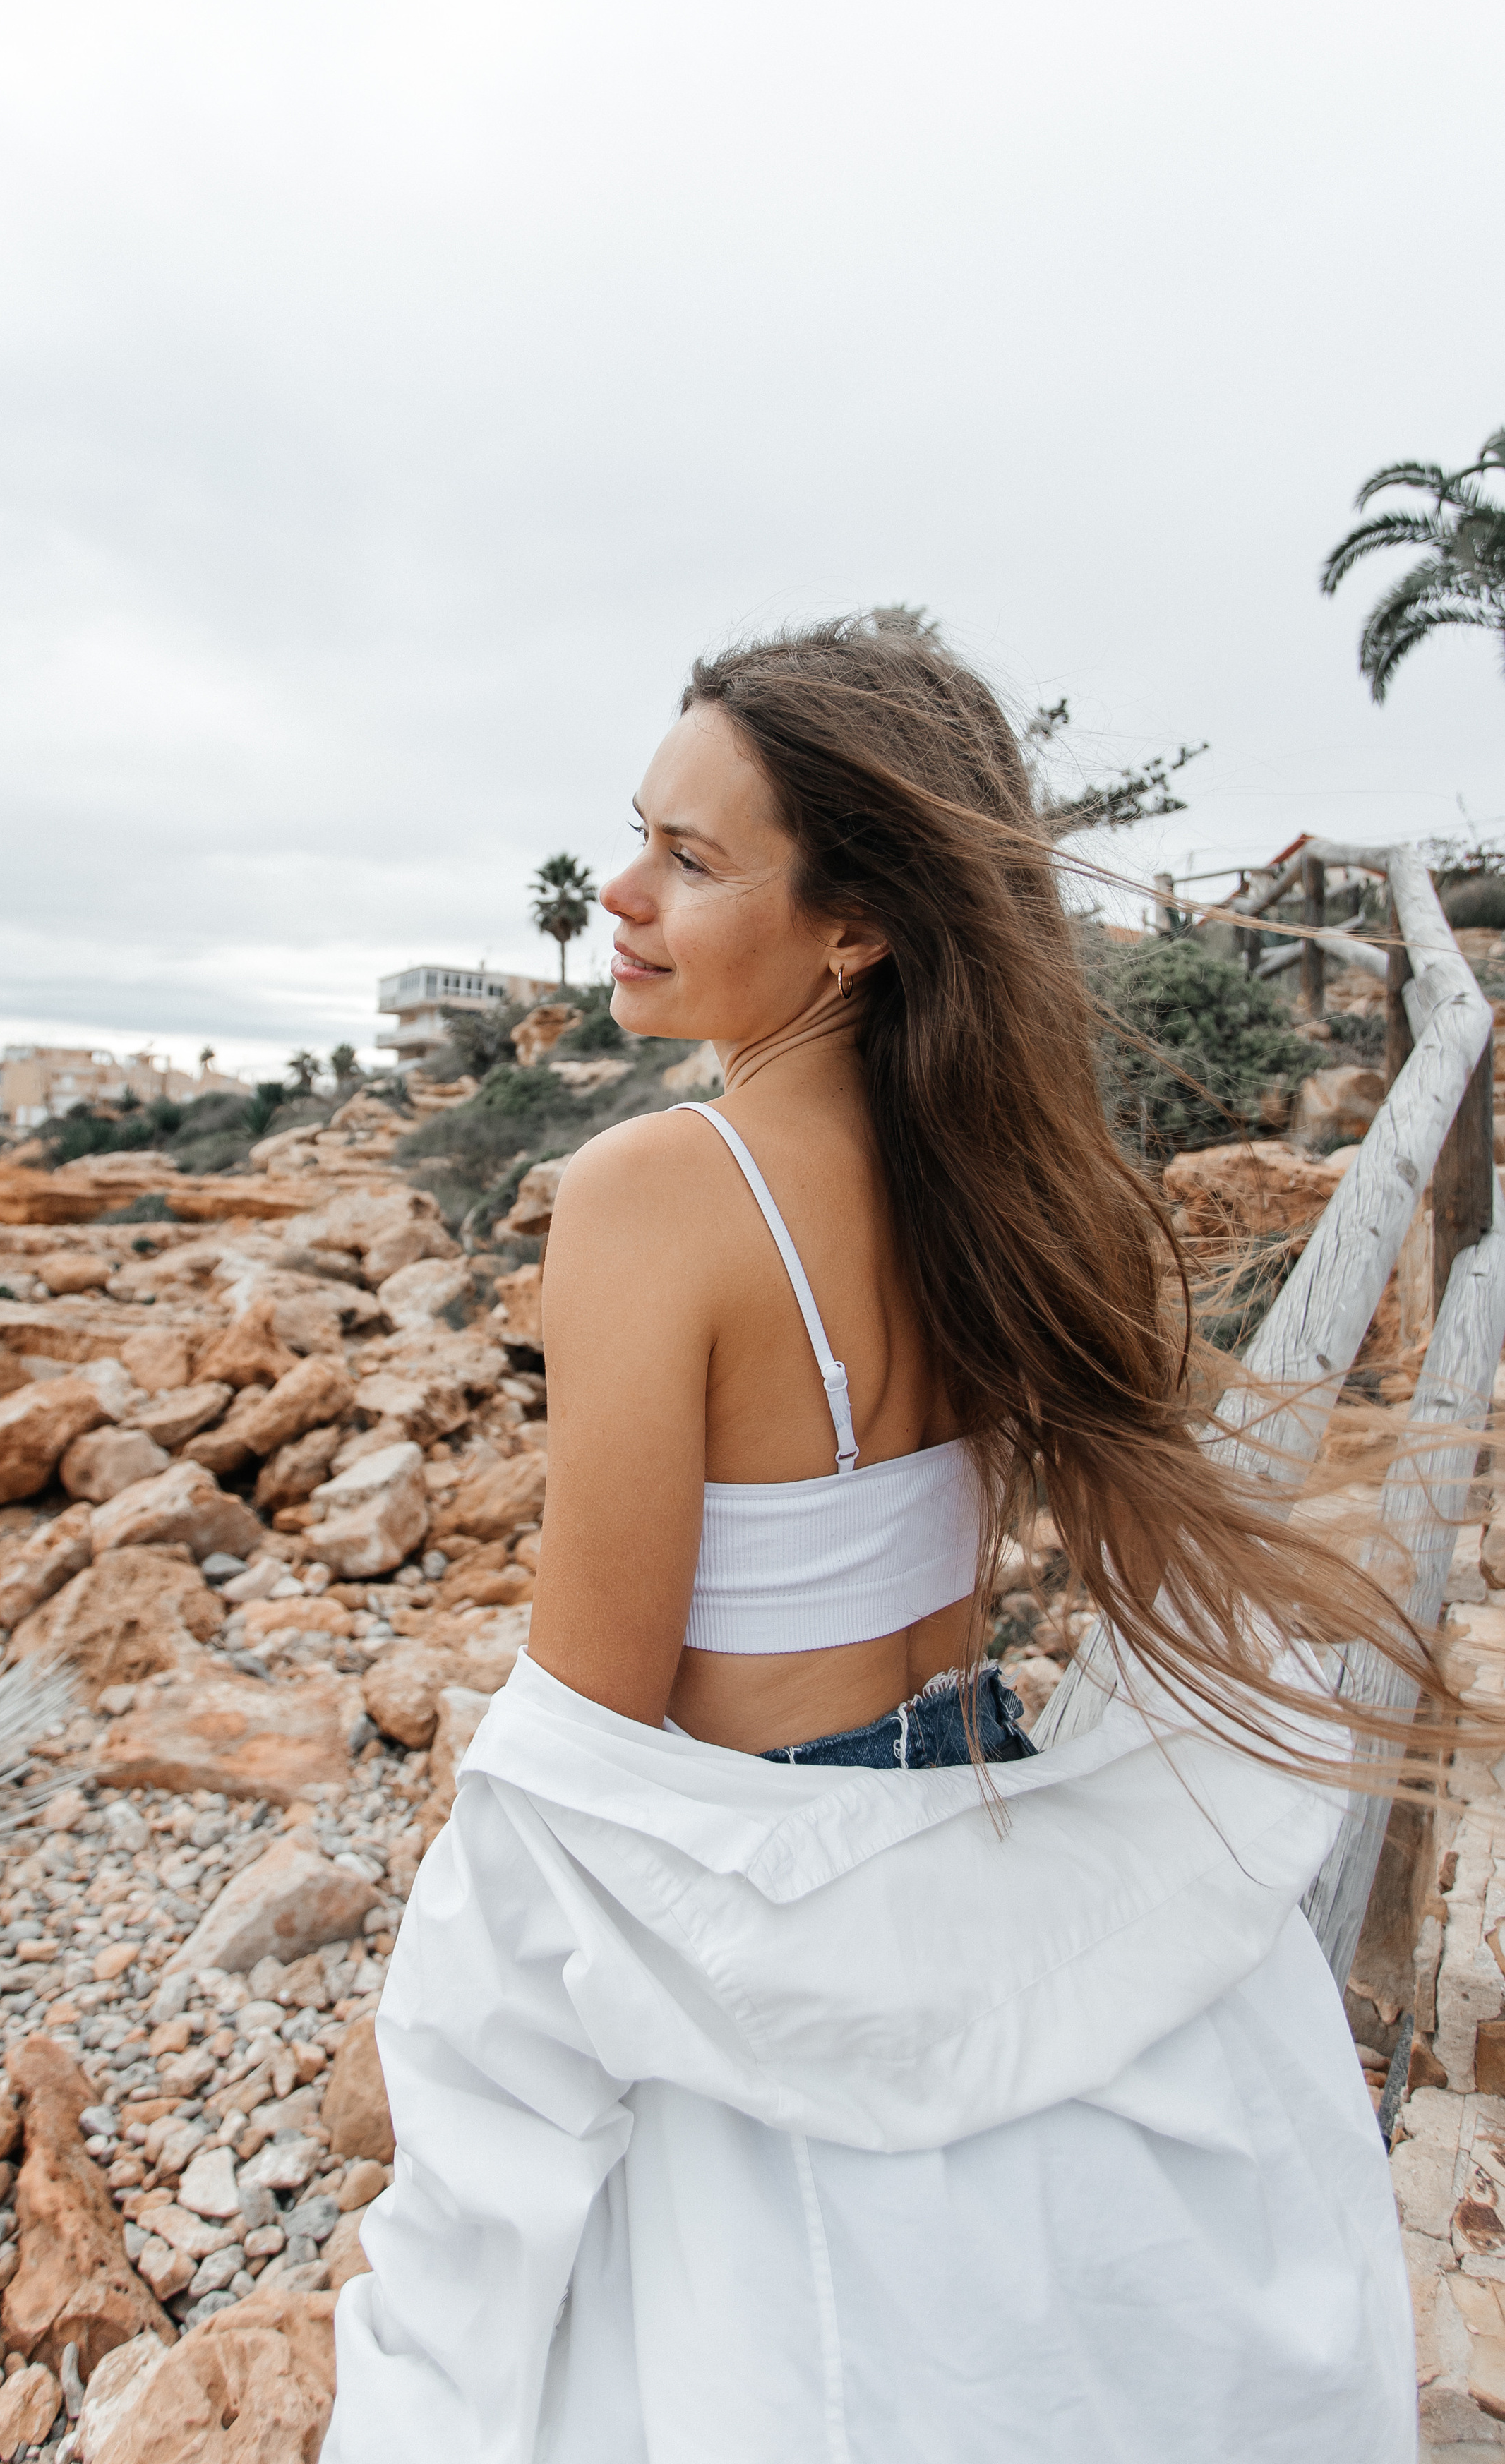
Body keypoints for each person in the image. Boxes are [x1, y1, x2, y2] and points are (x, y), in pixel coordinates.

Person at [323, 617, 1432, 2463]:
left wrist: (466, 2117)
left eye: (692, 858)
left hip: (768, 1927)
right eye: (636, 836)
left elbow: (579, 1756)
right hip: (967, 1823)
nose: (622, 892)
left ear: (856, 926)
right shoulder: (989, 1168)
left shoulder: (651, 1194)